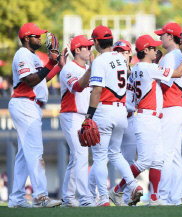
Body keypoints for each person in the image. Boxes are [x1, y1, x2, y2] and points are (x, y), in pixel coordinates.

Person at [109, 35, 182, 206]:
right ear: (145, 50)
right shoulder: (148, 68)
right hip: (146, 117)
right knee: (145, 161)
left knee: (158, 160)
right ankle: (117, 190)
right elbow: (177, 73)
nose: (156, 50)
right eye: (153, 48)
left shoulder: (138, 69)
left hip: (149, 116)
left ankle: (155, 198)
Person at [8, 23, 66, 208]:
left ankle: (16, 199)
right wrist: (50, 62)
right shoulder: (22, 54)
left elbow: (42, 80)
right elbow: (30, 80)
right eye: (36, 36)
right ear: (26, 38)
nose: (40, 38)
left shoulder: (31, 56)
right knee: (35, 152)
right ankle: (41, 196)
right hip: (25, 103)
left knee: (24, 155)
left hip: (30, 104)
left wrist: (57, 66)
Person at [85, 25, 143, 207]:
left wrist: (89, 115)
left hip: (105, 109)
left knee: (100, 157)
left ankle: (103, 197)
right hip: (121, 111)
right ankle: (133, 184)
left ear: (95, 42)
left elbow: (97, 91)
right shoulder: (121, 58)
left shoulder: (100, 61)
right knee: (115, 153)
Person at [59, 35, 95, 207]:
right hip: (71, 115)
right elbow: (76, 87)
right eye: (86, 47)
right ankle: (86, 198)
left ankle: (67, 198)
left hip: (83, 116)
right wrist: (91, 69)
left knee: (76, 158)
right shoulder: (68, 68)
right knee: (80, 156)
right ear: (77, 50)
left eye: (90, 46)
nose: (90, 49)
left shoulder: (88, 67)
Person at [154, 22, 182, 205]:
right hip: (179, 106)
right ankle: (175, 198)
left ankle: (164, 197)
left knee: (165, 155)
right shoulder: (179, 55)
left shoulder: (170, 56)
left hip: (170, 106)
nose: (160, 37)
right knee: (175, 156)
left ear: (170, 36)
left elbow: (163, 85)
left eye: (163, 34)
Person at [108, 39, 137, 206]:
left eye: (124, 52)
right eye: (118, 51)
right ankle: (92, 196)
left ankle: (126, 197)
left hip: (130, 117)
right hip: (114, 117)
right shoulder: (111, 71)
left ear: (130, 55)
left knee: (130, 161)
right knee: (103, 157)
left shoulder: (136, 71)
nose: (121, 55)